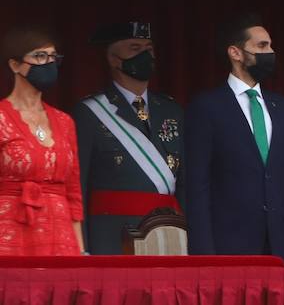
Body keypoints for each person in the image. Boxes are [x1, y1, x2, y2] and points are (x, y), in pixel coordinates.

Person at [184, 14, 284, 262]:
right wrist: (205, 255)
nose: (270, 52)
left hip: (279, 248)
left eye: (271, 45)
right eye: (262, 46)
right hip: (228, 247)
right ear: (235, 53)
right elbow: (196, 186)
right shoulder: (207, 107)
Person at [75, 21, 184, 255]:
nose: (146, 55)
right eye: (135, 48)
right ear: (114, 59)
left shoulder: (171, 109)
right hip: (112, 237)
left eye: (149, 49)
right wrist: (82, 247)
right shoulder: (90, 112)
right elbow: (79, 186)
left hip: (170, 234)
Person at [0, 28, 84, 256]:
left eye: (53, 57)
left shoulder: (64, 122)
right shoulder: (1, 117)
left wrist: (81, 253)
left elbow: (73, 195)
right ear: (15, 65)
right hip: (10, 240)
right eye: (39, 56)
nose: (48, 63)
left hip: (60, 240)